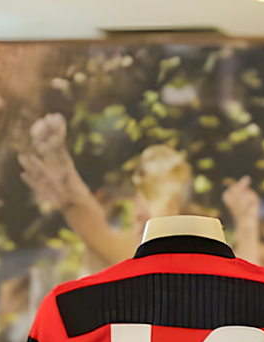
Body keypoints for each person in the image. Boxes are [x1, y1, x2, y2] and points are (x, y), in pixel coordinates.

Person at [18, 112, 192, 269]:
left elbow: (98, 232)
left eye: (150, 195)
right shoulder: (135, 246)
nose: (137, 212)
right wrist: (63, 174)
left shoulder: (179, 258)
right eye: (139, 196)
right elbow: (93, 226)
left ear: (173, 207)